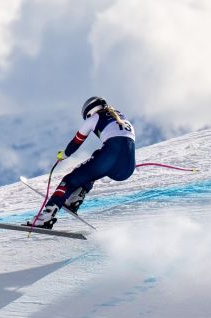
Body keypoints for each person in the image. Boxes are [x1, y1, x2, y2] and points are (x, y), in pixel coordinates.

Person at [27, 96, 136, 229]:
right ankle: (74, 200)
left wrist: (64, 155)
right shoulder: (122, 117)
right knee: (93, 165)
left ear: (89, 111)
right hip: (126, 169)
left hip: (109, 157)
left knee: (69, 180)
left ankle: (45, 218)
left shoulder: (94, 118)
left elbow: (77, 141)